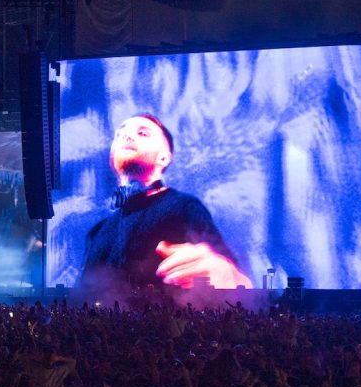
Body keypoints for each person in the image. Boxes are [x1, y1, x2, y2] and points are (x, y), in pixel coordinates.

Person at [82, 114, 251, 290]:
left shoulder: (185, 206)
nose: (126, 136)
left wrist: (222, 272)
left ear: (163, 158)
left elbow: (240, 283)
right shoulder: (97, 231)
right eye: (119, 134)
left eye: (142, 133)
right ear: (111, 156)